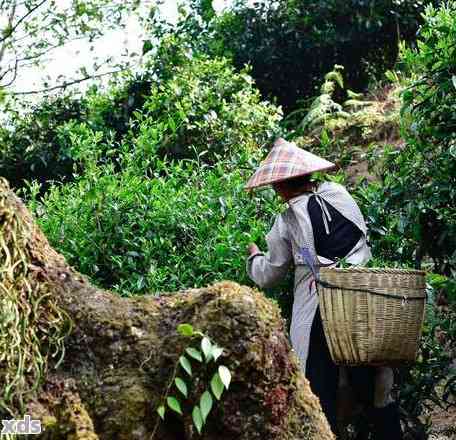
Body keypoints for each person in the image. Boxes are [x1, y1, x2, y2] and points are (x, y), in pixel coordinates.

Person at [245, 138, 402, 440]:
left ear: (280, 185)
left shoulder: (288, 219)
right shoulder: (339, 193)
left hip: (322, 309)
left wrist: (254, 258)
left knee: (319, 393)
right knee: (375, 387)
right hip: (364, 297)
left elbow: (269, 274)